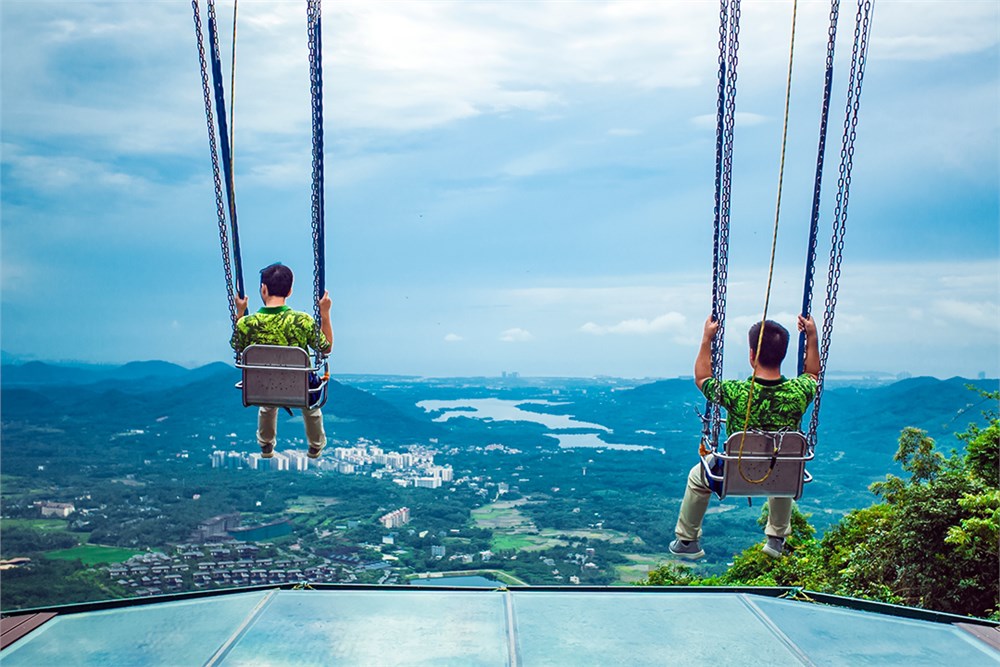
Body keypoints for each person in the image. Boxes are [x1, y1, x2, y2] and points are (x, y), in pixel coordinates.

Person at [669, 314, 820, 560]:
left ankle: (687, 540)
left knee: (697, 478)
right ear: (783, 355)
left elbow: (702, 378)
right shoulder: (799, 392)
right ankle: (776, 538)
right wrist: (812, 336)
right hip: (779, 475)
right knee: (786, 464)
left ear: (751, 355)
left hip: (736, 474)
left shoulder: (736, 392)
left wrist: (707, 338)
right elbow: (813, 373)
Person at [231, 263, 333, 460]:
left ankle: (266, 444)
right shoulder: (302, 321)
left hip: (262, 387)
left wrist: (240, 312)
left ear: (263, 288)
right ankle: (315, 445)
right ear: (290, 291)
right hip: (299, 387)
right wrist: (325, 314)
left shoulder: (247, 324)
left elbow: (237, 346)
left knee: (267, 401)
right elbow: (326, 347)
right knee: (311, 406)